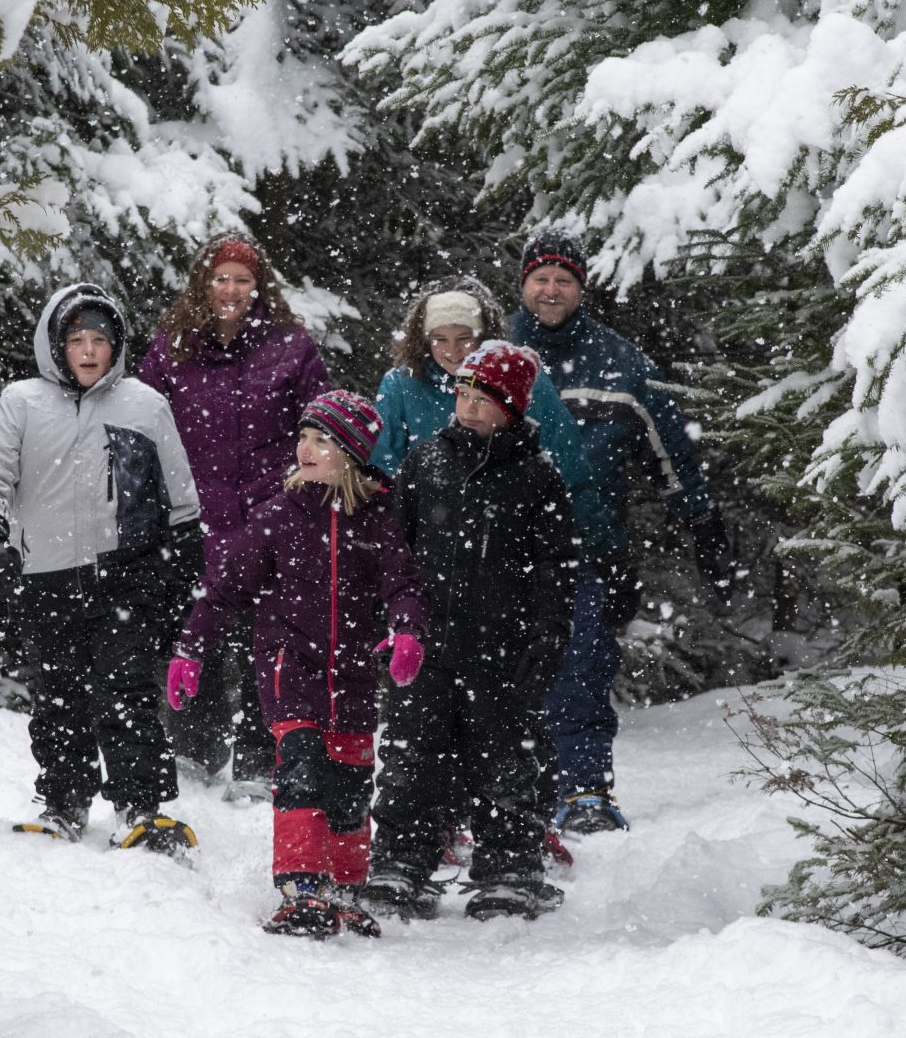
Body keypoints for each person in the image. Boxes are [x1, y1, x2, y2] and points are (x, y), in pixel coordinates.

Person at [170, 392, 428, 938]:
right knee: (302, 772)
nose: (307, 449)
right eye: (305, 436)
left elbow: (402, 582)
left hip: (355, 674)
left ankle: (344, 889)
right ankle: (302, 889)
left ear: (353, 455)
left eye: (323, 441)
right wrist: (190, 650)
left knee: (352, 786)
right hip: (292, 667)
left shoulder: (379, 517)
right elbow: (225, 593)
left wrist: (407, 630)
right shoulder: (277, 517)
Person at [0, 282, 205, 852]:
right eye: (77, 340)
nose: (89, 351)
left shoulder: (145, 404)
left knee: (128, 694)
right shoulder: (22, 402)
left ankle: (139, 807)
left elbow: (182, 500)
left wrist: (182, 571)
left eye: (100, 339)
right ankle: (64, 801)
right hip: (45, 576)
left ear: (116, 346)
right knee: (57, 695)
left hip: (127, 575)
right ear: (56, 345)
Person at [509, 230, 737, 835]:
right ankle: (507, 794)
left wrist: (702, 523)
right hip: (505, 548)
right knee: (505, 673)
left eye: (563, 280)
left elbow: (672, 458)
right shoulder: (493, 353)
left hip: (590, 546)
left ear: (581, 289)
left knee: (582, 665)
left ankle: (584, 791)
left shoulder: (622, 364)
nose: (551, 289)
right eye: (541, 278)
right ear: (523, 285)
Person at [363, 343, 580, 922]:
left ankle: (510, 865)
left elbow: (556, 568)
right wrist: (393, 620)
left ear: (511, 409)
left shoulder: (536, 477)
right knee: (411, 756)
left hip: (502, 647)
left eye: (483, 400)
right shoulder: (425, 462)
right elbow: (395, 551)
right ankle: (401, 860)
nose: (469, 408)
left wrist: (548, 635)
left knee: (505, 758)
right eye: (462, 395)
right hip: (426, 644)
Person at [137, 235, 332, 800]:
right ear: (203, 284)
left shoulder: (291, 348)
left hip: (273, 518)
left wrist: (304, 489)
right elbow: (142, 425)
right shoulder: (171, 348)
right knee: (197, 629)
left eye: (241, 280)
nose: (230, 290)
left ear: (258, 287)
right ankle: (195, 751)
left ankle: (259, 755)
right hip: (192, 514)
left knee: (267, 638)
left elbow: (317, 421)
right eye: (220, 278)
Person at [370, 281, 611, 553]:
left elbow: (568, 468)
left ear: (484, 334)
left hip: (512, 543)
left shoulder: (523, 380)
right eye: (440, 339)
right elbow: (382, 472)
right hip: (430, 547)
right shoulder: (400, 385)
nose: (453, 350)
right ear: (424, 339)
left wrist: (600, 550)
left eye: (464, 338)